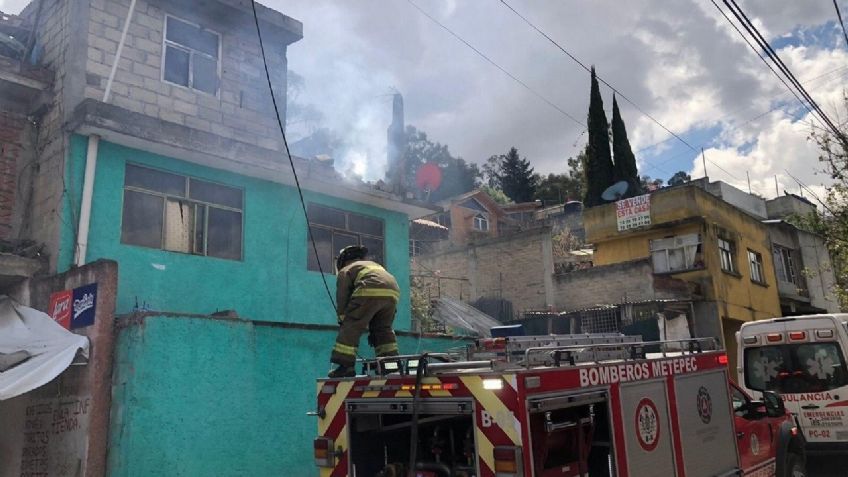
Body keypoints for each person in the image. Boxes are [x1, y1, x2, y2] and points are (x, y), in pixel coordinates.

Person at [329, 245, 400, 378]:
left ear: (343, 260)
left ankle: (345, 367)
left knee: (351, 326)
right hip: (393, 291)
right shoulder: (373, 265)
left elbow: (342, 296)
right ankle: (390, 366)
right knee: (383, 329)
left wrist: (343, 318)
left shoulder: (346, 269)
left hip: (370, 289)